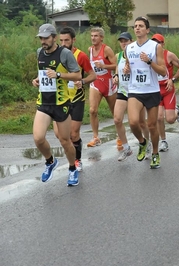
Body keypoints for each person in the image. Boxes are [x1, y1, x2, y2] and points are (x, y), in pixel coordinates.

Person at [32, 24, 82, 186]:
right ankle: (50, 162)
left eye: (46, 38)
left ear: (54, 37)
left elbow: (77, 74)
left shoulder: (65, 54)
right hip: (44, 102)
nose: (43, 41)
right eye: (41, 38)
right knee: (38, 138)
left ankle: (72, 168)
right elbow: (42, 73)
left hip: (61, 103)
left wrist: (59, 74)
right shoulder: (39, 53)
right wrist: (37, 80)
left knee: (65, 140)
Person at [124, 16, 166, 169]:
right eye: (135, 26)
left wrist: (149, 61)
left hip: (152, 90)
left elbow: (163, 71)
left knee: (152, 126)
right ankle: (142, 142)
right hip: (135, 90)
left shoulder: (155, 47)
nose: (137, 28)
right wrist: (126, 70)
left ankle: (155, 153)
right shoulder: (129, 48)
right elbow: (128, 67)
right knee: (133, 122)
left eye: (141, 26)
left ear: (147, 30)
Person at [54, 26, 96, 172]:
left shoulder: (81, 56)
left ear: (73, 40)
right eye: (61, 40)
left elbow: (93, 75)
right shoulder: (56, 55)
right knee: (59, 134)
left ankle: (76, 160)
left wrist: (83, 81)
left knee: (73, 134)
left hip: (77, 98)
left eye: (67, 40)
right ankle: (73, 153)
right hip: (60, 99)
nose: (64, 43)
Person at [113, 32, 151, 162]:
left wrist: (131, 71)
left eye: (126, 41)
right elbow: (116, 69)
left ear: (131, 42)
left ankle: (147, 144)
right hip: (123, 91)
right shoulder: (118, 56)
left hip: (136, 93)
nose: (123, 43)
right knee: (117, 119)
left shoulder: (136, 55)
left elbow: (143, 70)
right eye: (121, 41)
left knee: (141, 123)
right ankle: (126, 148)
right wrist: (115, 76)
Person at [151, 33, 179, 152]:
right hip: (156, 90)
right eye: (154, 42)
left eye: (158, 42)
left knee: (170, 119)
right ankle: (163, 141)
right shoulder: (150, 56)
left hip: (167, 90)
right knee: (159, 118)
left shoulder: (169, 55)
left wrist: (173, 79)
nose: (156, 44)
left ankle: (177, 109)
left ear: (163, 44)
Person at [87, 27, 118, 147]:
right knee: (92, 110)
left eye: (96, 36)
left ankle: (120, 136)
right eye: (92, 36)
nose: (93, 38)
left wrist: (104, 66)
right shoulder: (90, 50)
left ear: (101, 37)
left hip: (109, 83)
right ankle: (95, 137)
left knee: (115, 113)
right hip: (96, 82)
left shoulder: (107, 50)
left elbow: (116, 65)